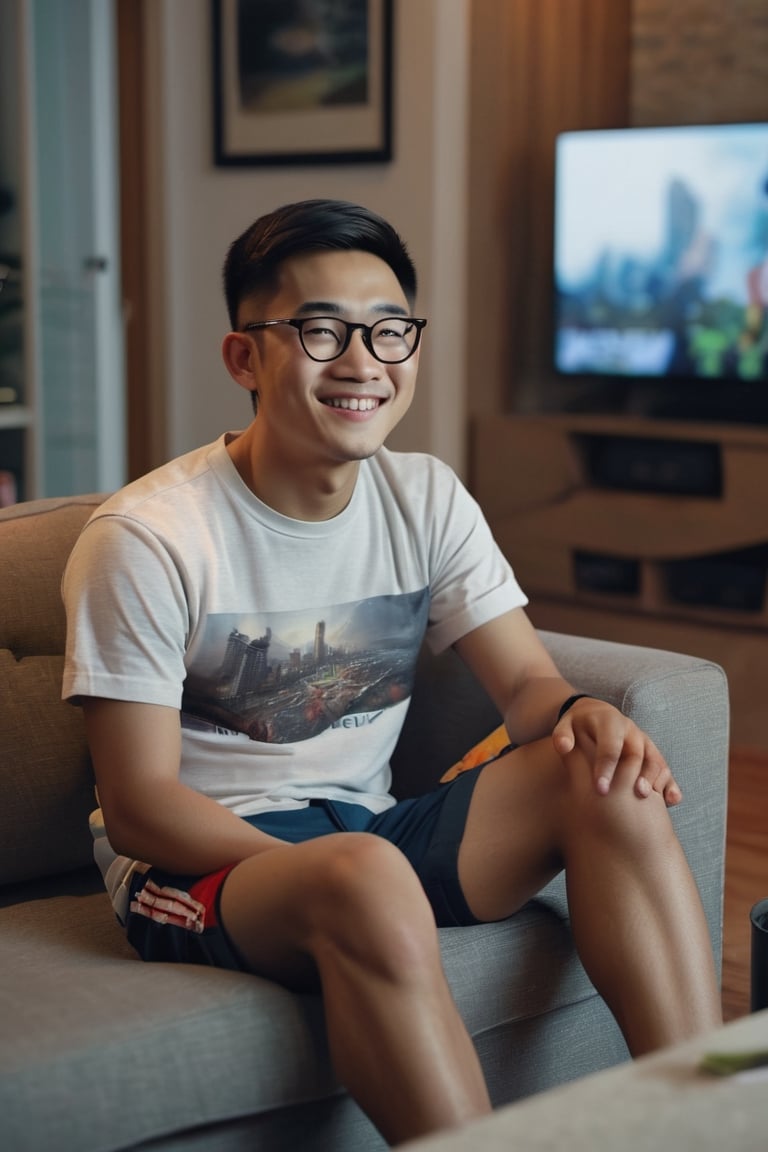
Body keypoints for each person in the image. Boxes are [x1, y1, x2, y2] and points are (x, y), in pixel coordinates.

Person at [62, 199, 721, 1147]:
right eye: (321, 329)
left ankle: (708, 1119)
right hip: (199, 868)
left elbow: (529, 691)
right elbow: (138, 806)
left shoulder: (426, 497)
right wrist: (344, 871)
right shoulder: (149, 538)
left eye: (389, 330)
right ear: (245, 358)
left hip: (367, 832)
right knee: (365, 874)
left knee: (603, 776)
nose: (364, 361)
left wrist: (583, 712)